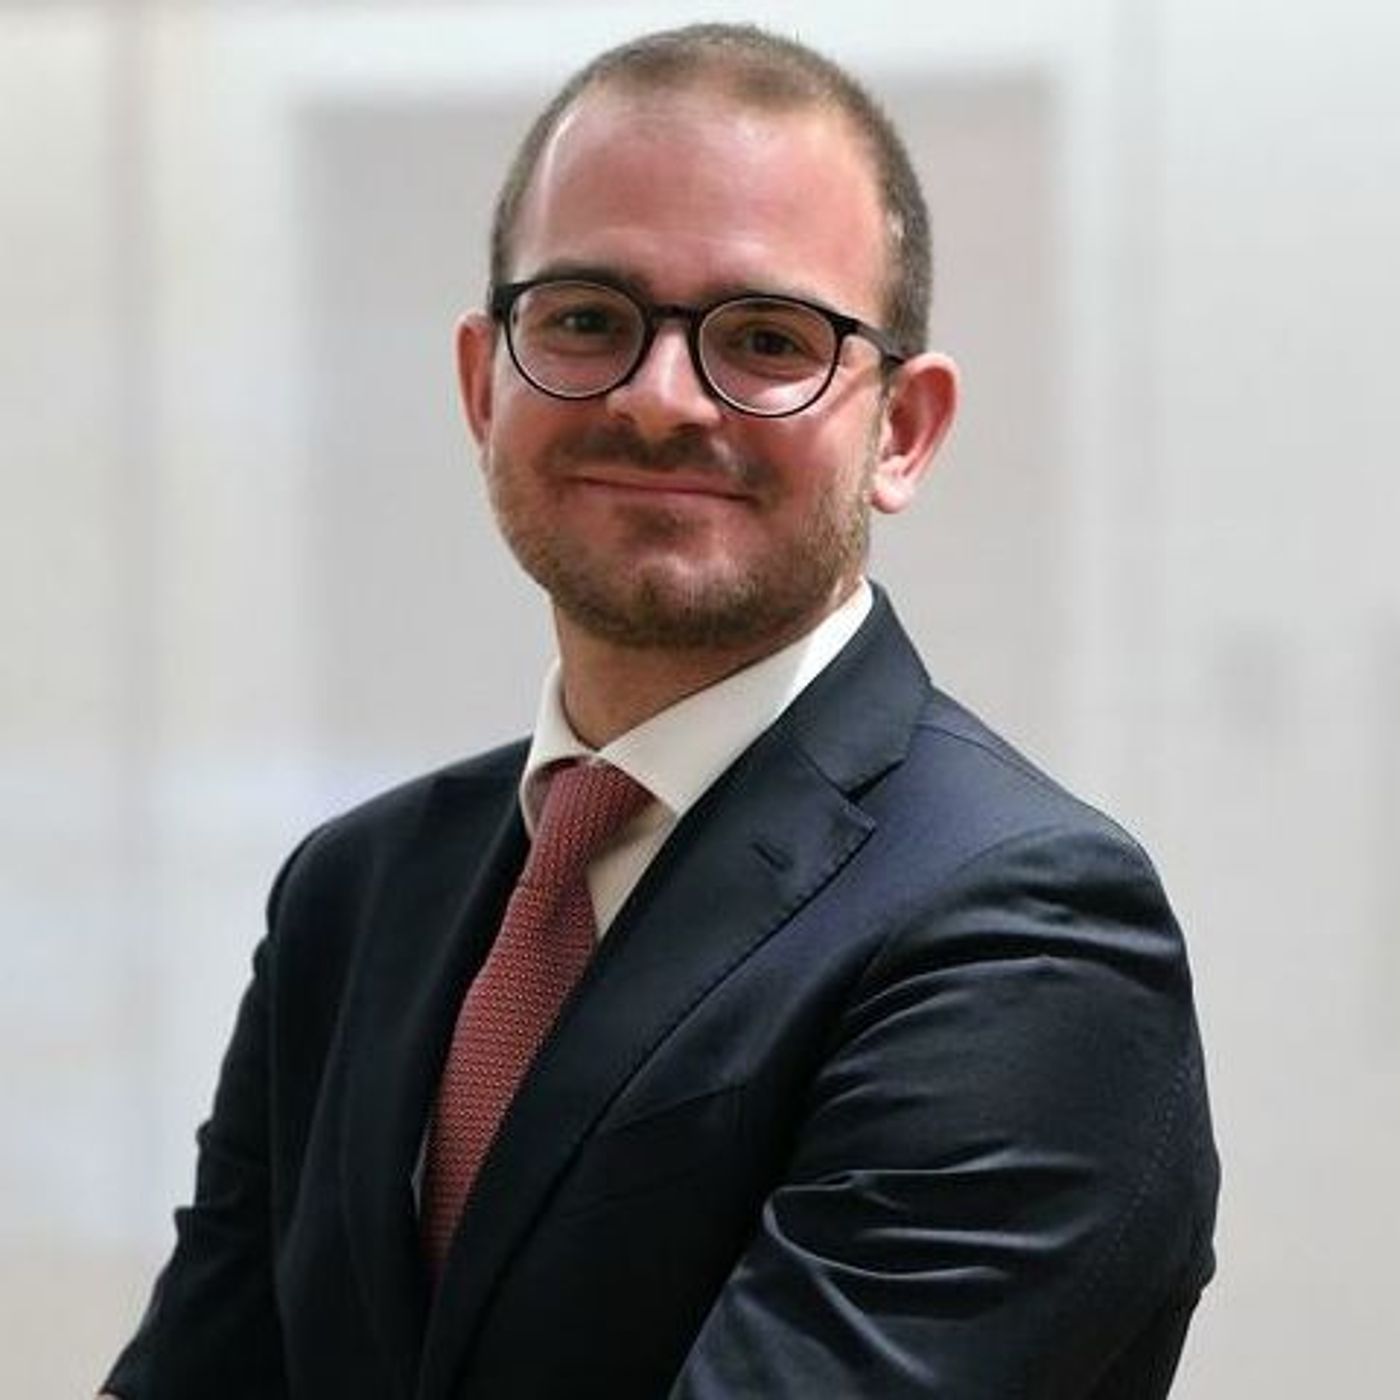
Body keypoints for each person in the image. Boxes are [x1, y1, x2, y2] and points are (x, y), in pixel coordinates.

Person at [102, 22, 1217, 1400]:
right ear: (482, 383)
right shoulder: (356, 892)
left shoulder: (1024, 935)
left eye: (766, 339)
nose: (660, 399)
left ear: (904, 431)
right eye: (585, 319)